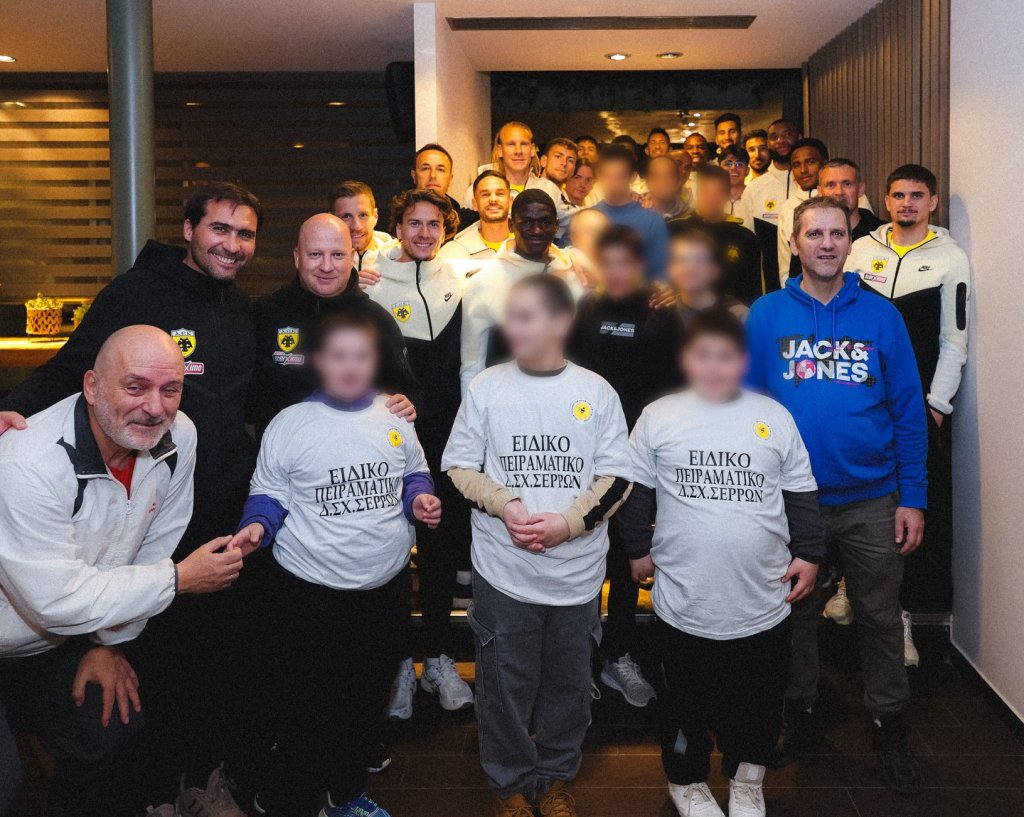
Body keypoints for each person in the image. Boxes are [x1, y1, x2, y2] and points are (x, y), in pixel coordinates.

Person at [0, 182, 267, 801]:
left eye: (245, 234)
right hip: (85, 575)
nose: (231, 244)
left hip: (196, 521)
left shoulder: (239, 311)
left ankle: (191, 787)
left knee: (195, 676)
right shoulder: (135, 294)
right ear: (188, 229)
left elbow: (253, 404)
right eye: (219, 228)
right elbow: (71, 370)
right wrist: (12, 410)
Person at [0, 326, 242, 817]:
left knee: (113, 730)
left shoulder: (179, 435)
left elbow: (156, 542)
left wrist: (105, 643)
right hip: (38, 621)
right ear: (92, 387)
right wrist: (179, 580)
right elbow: (56, 599)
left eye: (170, 389)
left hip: (53, 640)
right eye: (135, 387)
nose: (155, 407)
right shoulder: (28, 463)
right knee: (6, 785)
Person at [746, 197, 928, 796]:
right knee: (793, 616)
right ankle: (798, 716)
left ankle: (888, 725)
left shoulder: (881, 316)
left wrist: (913, 497)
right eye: (814, 234)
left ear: (852, 242)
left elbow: (908, 411)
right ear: (794, 243)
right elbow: (744, 408)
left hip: (873, 498)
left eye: (837, 233)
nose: (826, 244)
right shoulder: (766, 315)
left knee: (879, 616)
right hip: (790, 501)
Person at [232, 311, 440, 817]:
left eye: (361, 357)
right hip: (311, 594)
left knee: (366, 698)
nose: (350, 366)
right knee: (309, 702)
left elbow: (414, 472)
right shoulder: (290, 423)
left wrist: (420, 499)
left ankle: (344, 793)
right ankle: (295, 797)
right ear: (318, 361)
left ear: (375, 362)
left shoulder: (395, 416)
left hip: (385, 590)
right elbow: (269, 492)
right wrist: (257, 525)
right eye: (338, 356)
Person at [619, 308, 824, 817]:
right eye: (703, 355)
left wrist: (810, 553)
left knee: (757, 703)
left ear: (743, 360)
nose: (714, 366)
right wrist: (636, 549)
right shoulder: (659, 416)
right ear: (686, 358)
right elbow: (635, 489)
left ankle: (748, 780)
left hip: (762, 600)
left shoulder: (774, 417)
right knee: (685, 703)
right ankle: (687, 782)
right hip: (684, 602)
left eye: (726, 356)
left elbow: (801, 492)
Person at [442, 274, 633, 817]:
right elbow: (458, 466)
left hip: (576, 576)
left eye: (529, 316)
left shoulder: (596, 392)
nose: (516, 328)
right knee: (503, 688)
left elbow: (618, 478)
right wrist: (505, 504)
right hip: (503, 573)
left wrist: (568, 524)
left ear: (561, 322)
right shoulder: (486, 388)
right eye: (513, 317)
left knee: (569, 690)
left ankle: (553, 780)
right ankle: (508, 785)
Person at [362, 189, 476, 718]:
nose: (424, 233)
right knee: (389, 550)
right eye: (414, 223)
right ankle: (396, 667)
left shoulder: (462, 280)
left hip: (445, 435)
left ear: (447, 230)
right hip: (388, 433)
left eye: (434, 224)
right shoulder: (370, 282)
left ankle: (435, 657)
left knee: (438, 549)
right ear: (398, 226)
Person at [846, 163, 970, 639]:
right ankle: (848, 587)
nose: (907, 204)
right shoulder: (860, 250)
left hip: (915, 407)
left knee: (910, 508)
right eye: (898, 195)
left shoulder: (950, 258)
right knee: (859, 501)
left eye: (917, 195)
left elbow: (954, 340)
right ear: (885, 200)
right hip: (859, 402)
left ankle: (904, 621)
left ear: (932, 202)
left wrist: (936, 404)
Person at [569, 226, 678, 708]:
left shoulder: (662, 313)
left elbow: (675, 388)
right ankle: (580, 660)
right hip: (584, 456)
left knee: (625, 558)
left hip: (637, 458)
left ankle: (617, 653)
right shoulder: (582, 312)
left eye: (626, 263)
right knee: (582, 557)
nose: (617, 272)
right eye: (608, 262)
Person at [248, 213, 414, 439]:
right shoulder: (266, 313)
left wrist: (407, 403)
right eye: (315, 254)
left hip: (356, 454)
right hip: (283, 456)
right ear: (297, 257)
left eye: (337, 255)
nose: (326, 266)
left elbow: (407, 392)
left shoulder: (377, 320)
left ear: (351, 258)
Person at [460, 189, 578, 391]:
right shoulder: (483, 282)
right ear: (511, 225)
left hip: (566, 397)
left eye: (545, 222)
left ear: (557, 225)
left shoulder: (574, 276)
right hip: (506, 398)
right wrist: (472, 409)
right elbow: (472, 366)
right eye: (527, 222)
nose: (536, 230)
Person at [673, 167, 766, 307]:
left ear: (728, 195)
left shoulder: (745, 237)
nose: (711, 198)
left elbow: (755, 289)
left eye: (718, 192)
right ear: (697, 193)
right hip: (682, 310)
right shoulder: (675, 230)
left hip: (731, 314)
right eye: (705, 191)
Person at [736, 119, 802, 287]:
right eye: (774, 137)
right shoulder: (754, 189)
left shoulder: (812, 185)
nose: (780, 141)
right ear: (768, 143)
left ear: (799, 137)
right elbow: (747, 243)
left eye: (787, 135)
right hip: (768, 283)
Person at [593, 145, 670, 278]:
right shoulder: (589, 218)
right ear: (598, 175)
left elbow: (661, 272)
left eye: (619, 176)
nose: (613, 183)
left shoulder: (652, 219)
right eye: (607, 176)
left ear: (632, 177)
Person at [665, 223, 750, 326]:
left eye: (699, 260)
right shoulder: (664, 315)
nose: (689, 268)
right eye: (680, 260)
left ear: (716, 270)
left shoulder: (739, 315)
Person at [439, 170, 512, 261]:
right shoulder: (452, 253)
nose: (493, 199)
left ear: (510, 201)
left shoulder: (527, 245)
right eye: (485, 195)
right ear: (475, 204)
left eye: (500, 194)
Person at [409, 142, 478, 231]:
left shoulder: (467, 222)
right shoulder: (398, 217)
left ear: (450, 179)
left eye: (440, 170)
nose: (433, 175)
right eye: (425, 168)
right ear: (414, 176)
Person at [328, 180, 393, 270]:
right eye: (346, 216)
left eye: (363, 215)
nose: (357, 226)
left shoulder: (398, 259)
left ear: (375, 216)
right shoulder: (321, 265)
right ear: (332, 220)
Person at [819, 159, 883, 244]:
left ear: (860, 189)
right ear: (819, 192)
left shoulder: (883, 235)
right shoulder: (810, 235)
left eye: (847, 184)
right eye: (830, 185)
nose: (839, 192)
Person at [645, 155, 692, 220]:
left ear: (678, 182)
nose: (662, 181)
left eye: (668, 176)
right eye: (656, 176)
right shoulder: (636, 208)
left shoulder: (688, 216)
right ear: (647, 183)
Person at [718, 144, 749, 217]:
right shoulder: (712, 198)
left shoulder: (754, 197)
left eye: (739, 164)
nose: (733, 168)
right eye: (728, 164)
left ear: (747, 171)